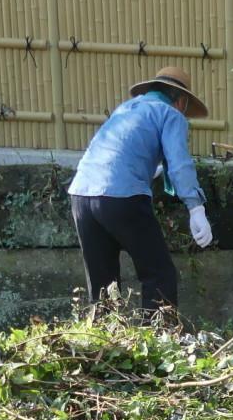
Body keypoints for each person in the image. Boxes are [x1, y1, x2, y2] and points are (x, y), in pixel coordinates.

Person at [67, 66, 214, 312]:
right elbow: (179, 165)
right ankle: (160, 342)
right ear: (181, 101)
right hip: (121, 198)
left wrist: (150, 170)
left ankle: (101, 344)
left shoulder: (125, 109)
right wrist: (196, 208)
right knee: (159, 274)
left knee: (103, 284)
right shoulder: (171, 114)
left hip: (81, 194)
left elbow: (118, 154)